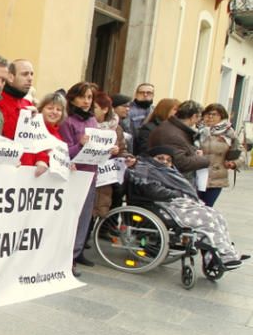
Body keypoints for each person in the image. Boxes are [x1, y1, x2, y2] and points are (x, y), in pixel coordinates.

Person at [129, 147, 245, 269]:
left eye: (168, 160)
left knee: (215, 215)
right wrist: (179, 194)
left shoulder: (168, 172)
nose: (164, 161)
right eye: (160, 158)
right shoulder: (145, 170)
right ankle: (220, 256)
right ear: (151, 158)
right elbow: (153, 191)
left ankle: (226, 254)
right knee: (206, 219)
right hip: (162, 205)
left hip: (176, 203)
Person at [59, 82, 102, 272]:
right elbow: (65, 151)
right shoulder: (67, 122)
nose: (86, 101)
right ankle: (66, 258)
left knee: (84, 218)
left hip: (90, 175)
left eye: (90, 97)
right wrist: (80, 145)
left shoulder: (93, 121)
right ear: (73, 98)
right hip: (74, 175)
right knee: (71, 218)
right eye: (82, 96)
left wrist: (109, 149)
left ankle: (76, 254)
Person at [148, 100, 210, 182]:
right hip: (171, 181)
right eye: (199, 117)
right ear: (194, 116)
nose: (199, 121)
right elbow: (181, 163)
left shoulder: (170, 126)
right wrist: (203, 160)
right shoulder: (174, 134)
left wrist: (194, 151)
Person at [91, 91, 128, 219]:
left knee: (96, 213)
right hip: (86, 174)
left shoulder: (116, 128)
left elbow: (122, 151)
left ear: (105, 109)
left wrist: (125, 157)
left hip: (103, 178)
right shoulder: (86, 125)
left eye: (94, 107)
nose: (90, 110)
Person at [197, 103, 241, 207]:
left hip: (216, 177)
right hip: (197, 174)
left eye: (214, 114)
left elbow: (240, 151)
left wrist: (234, 163)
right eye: (207, 114)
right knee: (193, 207)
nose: (210, 117)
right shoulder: (197, 130)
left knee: (207, 207)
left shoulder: (228, 132)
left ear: (222, 116)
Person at [20, 89, 68, 175]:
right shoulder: (31, 127)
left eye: (59, 109)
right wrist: (42, 159)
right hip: (25, 175)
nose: (54, 112)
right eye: (50, 108)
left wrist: (67, 165)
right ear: (41, 109)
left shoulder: (58, 136)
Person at [0, 59, 36, 140]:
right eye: (25, 74)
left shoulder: (28, 104)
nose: (30, 78)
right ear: (10, 77)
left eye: (31, 74)